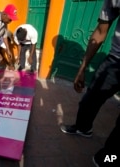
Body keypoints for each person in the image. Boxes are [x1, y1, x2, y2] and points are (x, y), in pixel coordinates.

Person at [60, 1, 120, 166]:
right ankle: (83, 127)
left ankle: (111, 156)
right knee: (90, 99)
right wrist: (82, 68)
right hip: (115, 60)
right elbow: (101, 31)